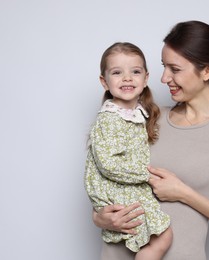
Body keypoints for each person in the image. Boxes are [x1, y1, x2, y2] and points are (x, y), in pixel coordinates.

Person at [92, 21, 209, 260]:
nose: (164, 78)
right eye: (164, 67)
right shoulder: (146, 116)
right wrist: (99, 216)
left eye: (175, 69)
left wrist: (184, 193)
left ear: (207, 71)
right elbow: (108, 173)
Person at [84, 42, 173, 260]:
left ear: (145, 78)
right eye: (117, 72)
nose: (127, 78)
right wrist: (147, 176)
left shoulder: (138, 114)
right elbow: (108, 165)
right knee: (163, 236)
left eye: (135, 71)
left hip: (126, 186)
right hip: (116, 187)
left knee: (153, 236)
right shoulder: (109, 118)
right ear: (104, 82)